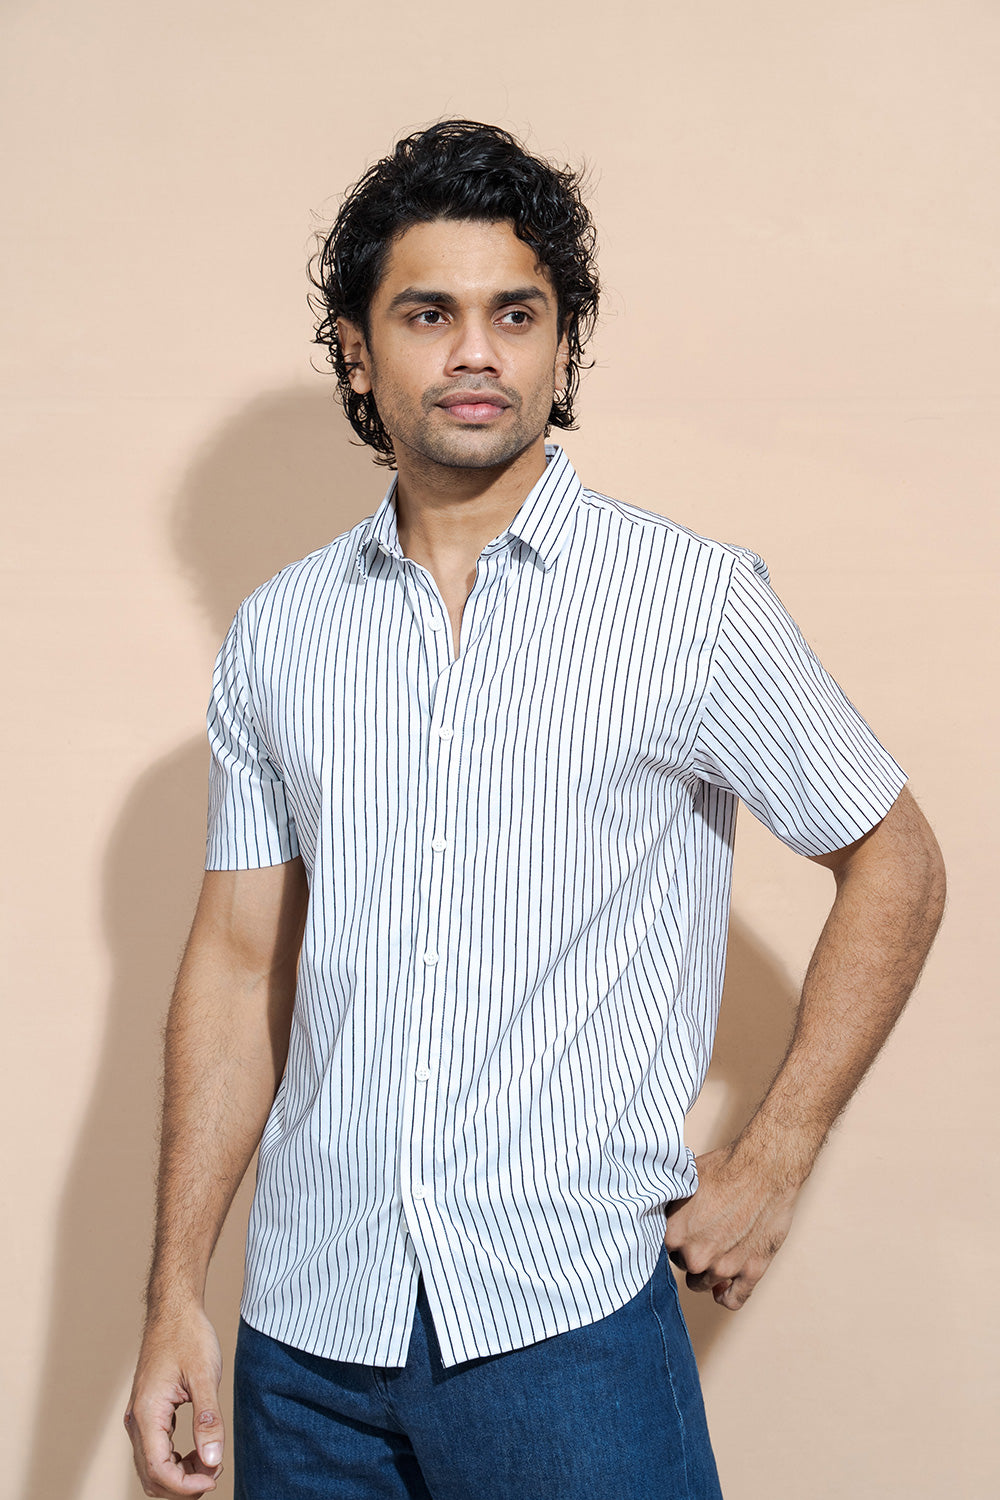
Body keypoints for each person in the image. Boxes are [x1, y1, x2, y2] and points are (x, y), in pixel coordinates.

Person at [125, 120, 945, 1500]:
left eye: (517, 315)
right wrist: (173, 1298)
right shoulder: (280, 635)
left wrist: (778, 1153)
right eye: (427, 314)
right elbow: (239, 962)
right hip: (306, 1341)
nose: (477, 354)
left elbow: (898, 864)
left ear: (562, 348)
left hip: (565, 1332)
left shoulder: (687, 603)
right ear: (354, 351)